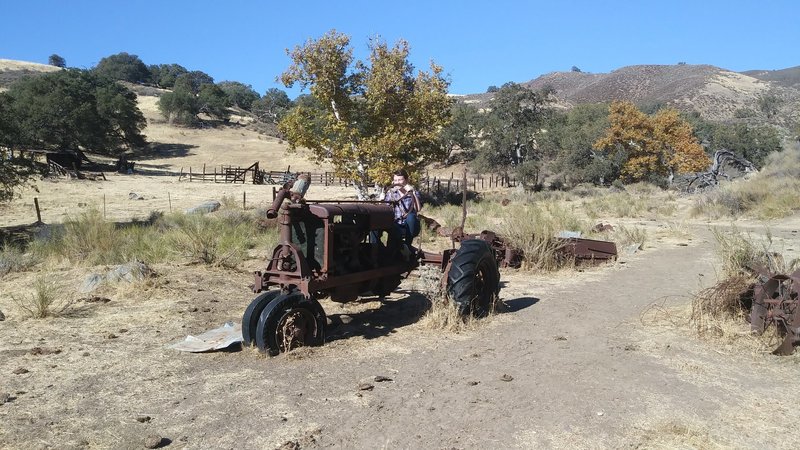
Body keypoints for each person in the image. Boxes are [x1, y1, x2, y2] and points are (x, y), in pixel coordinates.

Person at [374, 169, 422, 257]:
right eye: (395, 180)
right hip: (394, 223)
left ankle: (407, 245)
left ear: (406, 181)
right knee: (374, 224)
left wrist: (412, 193)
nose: (397, 182)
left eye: (400, 180)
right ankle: (375, 249)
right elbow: (384, 208)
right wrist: (381, 201)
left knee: (411, 216)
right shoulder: (391, 193)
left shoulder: (412, 193)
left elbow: (418, 209)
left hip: (408, 224)